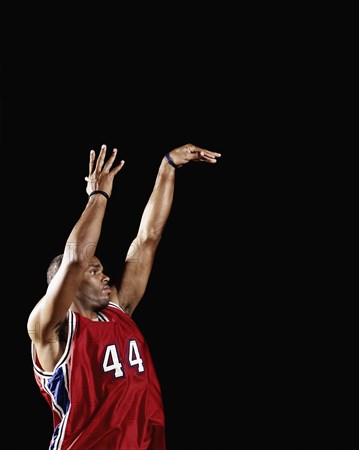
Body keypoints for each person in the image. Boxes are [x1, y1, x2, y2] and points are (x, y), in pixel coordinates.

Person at [27, 143, 221, 450]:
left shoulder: (118, 309)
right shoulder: (49, 330)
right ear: (69, 284)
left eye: (101, 268)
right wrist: (98, 195)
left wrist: (167, 167)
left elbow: (147, 239)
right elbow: (76, 257)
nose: (105, 275)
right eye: (94, 271)